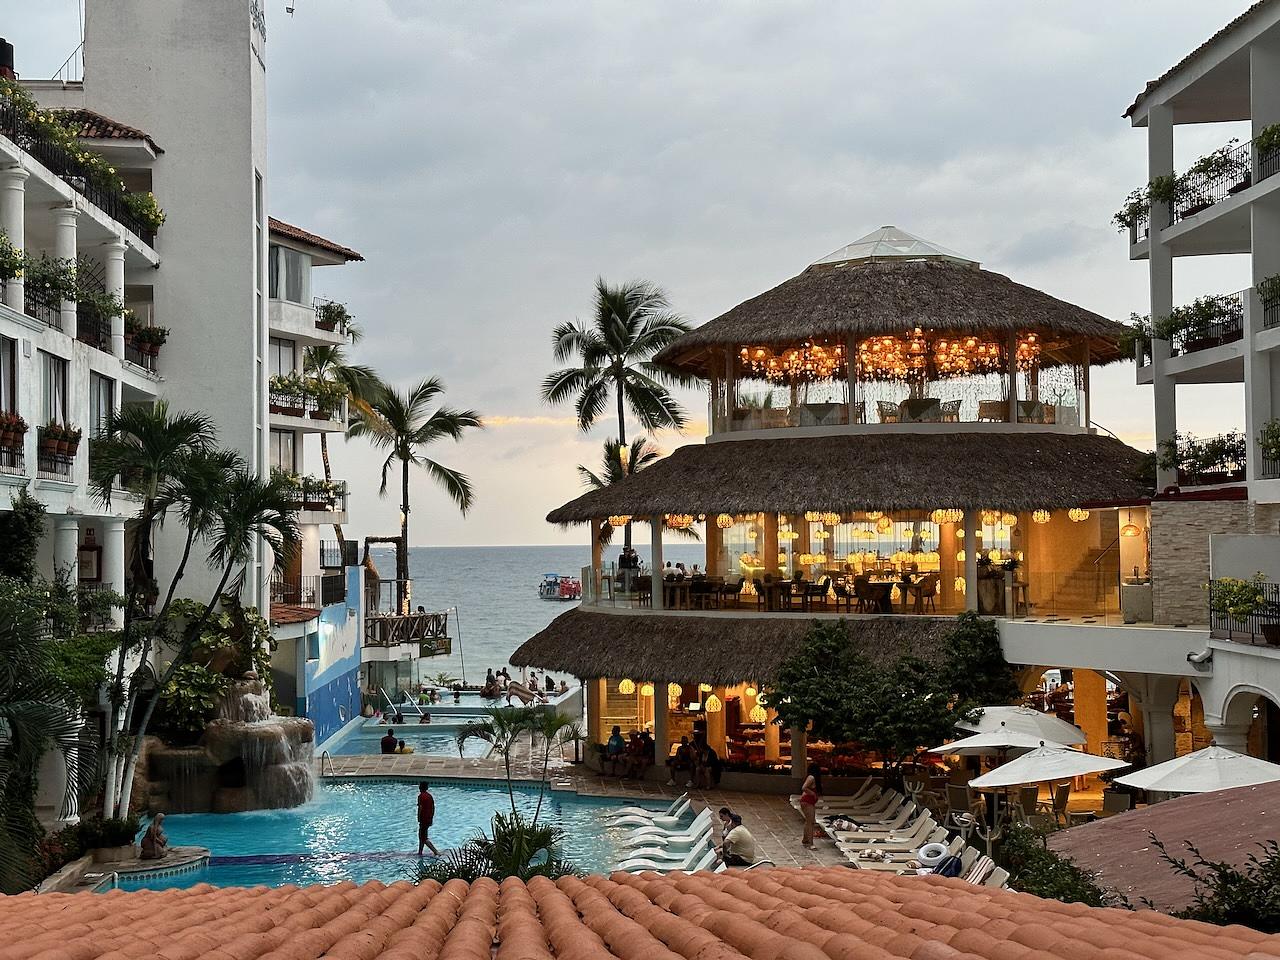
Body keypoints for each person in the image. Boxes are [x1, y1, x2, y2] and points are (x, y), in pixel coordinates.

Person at [800, 762, 823, 847]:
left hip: (809, 801)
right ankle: (810, 843)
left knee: (808, 821)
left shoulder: (813, 778)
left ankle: (805, 839)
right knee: (811, 822)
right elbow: (804, 787)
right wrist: (812, 793)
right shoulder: (811, 777)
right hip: (807, 801)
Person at [417, 782, 440, 856]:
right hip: (428, 818)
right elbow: (433, 807)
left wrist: (418, 817)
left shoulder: (421, 796)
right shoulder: (429, 796)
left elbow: (420, 808)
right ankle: (420, 852)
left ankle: (436, 851)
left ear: (420, 787)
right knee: (422, 836)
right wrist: (431, 817)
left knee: (423, 837)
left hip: (423, 819)